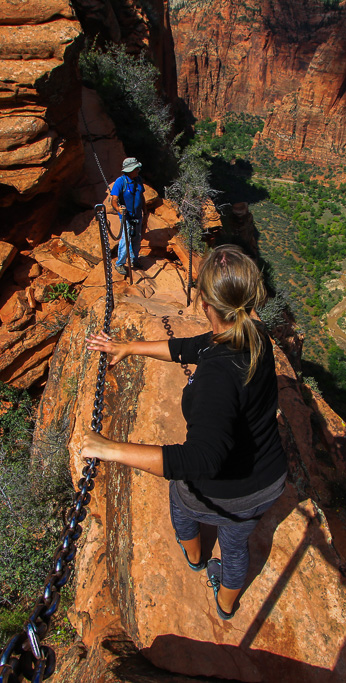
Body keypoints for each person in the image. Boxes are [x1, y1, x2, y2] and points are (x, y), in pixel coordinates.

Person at [83, 245, 287, 620]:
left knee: (181, 504)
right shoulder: (253, 333)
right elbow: (192, 347)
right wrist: (130, 347)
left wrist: (108, 448)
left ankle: (195, 560)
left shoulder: (216, 378)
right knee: (236, 546)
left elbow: (200, 460)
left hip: (227, 490)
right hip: (269, 481)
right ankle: (226, 606)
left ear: (206, 301)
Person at [108, 157, 148, 276]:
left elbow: (141, 196)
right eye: (136, 168)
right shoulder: (120, 182)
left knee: (136, 238)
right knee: (126, 239)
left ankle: (134, 259)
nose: (138, 170)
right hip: (126, 217)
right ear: (129, 170)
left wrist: (145, 212)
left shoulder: (138, 179)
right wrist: (118, 209)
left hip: (137, 215)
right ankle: (120, 264)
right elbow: (114, 200)